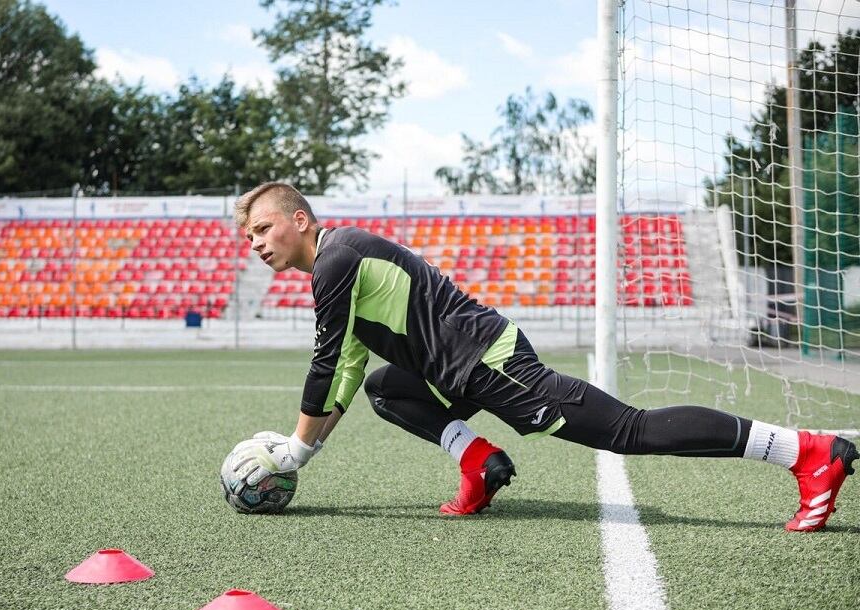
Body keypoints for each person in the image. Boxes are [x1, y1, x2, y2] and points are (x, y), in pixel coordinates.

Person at [229, 182, 857, 532]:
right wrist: (305, 444)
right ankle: (479, 463)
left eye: (262, 228)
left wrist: (299, 449)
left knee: (629, 431)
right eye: (249, 236)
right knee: (390, 389)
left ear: (300, 219)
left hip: (489, 363)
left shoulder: (336, 257)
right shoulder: (336, 263)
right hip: (455, 368)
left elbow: (325, 359)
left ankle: (806, 452)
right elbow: (345, 367)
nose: (256, 243)